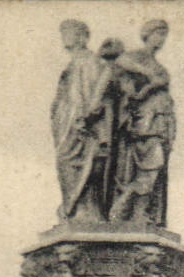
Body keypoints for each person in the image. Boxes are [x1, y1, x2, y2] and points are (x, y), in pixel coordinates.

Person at [109, 19, 174, 224]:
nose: (161, 39)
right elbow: (120, 63)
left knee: (155, 170)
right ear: (147, 34)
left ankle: (139, 212)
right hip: (146, 123)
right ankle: (126, 206)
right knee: (151, 166)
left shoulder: (160, 66)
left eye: (164, 35)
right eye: (158, 34)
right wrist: (147, 75)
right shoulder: (136, 57)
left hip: (161, 122)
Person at [51, 19, 117, 222]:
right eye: (63, 32)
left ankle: (83, 210)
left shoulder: (89, 61)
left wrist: (85, 117)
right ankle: (75, 208)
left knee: (77, 161)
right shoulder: (74, 63)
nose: (64, 36)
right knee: (65, 162)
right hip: (66, 122)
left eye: (69, 32)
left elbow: (94, 98)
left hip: (79, 124)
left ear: (82, 37)